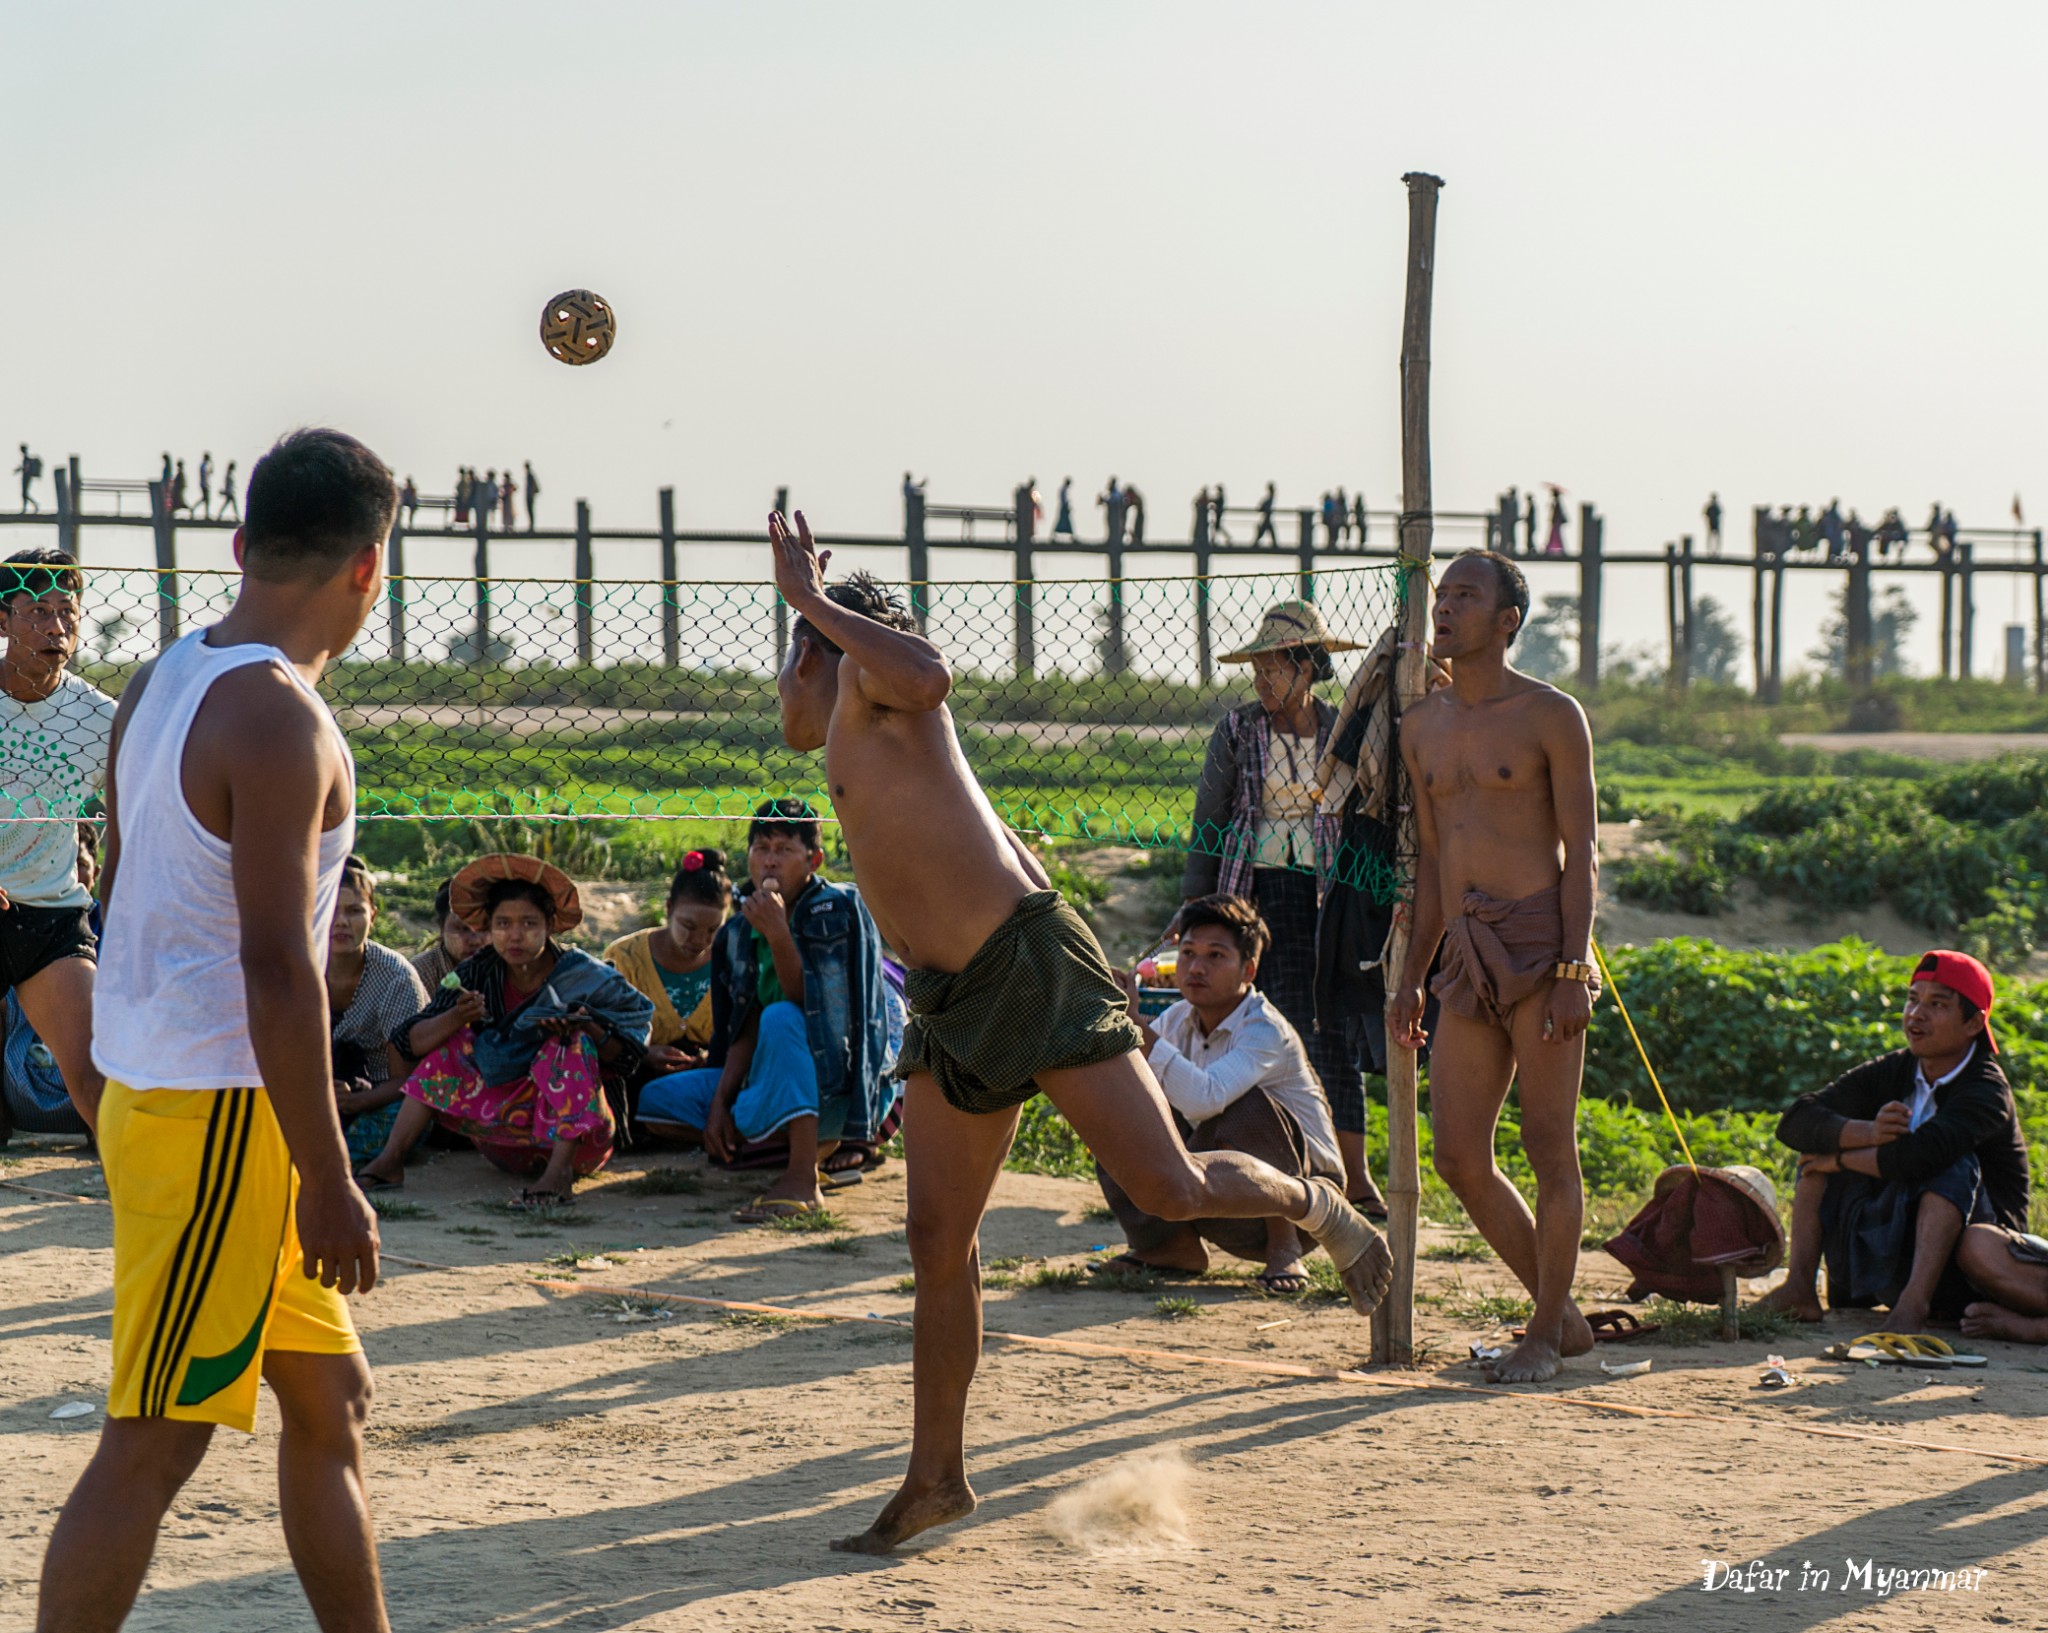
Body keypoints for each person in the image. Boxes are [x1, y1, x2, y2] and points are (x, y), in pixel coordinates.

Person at [765, 510, 1389, 1554]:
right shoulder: (839, 720)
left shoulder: (882, 685)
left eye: (796, 654)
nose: (785, 679)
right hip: (954, 1001)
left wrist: (812, 604)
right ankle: (935, 1479)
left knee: (1169, 1189)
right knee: (936, 1242)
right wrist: (810, 620)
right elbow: (823, 728)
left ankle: (1316, 1202)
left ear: (827, 648)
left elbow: (928, 675)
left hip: (1029, 969)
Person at [41, 427, 396, 1631]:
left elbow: (123, 887)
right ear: (368, 567)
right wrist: (331, 1176)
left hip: (183, 1100)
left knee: (330, 1396)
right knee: (152, 1441)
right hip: (222, 1122)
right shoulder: (279, 723)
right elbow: (278, 969)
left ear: (242, 543)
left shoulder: (167, 674)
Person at [1392, 550, 1599, 1385]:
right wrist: (1412, 972)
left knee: (1551, 1143)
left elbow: (1582, 852)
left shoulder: (1553, 715)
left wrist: (1572, 967)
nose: (1444, 608)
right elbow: (1434, 862)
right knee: (1457, 1156)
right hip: (1464, 950)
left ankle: (1544, 1334)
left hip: (1542, 938)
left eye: (1464, 595)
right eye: (1441, 595)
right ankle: (1567, 1318)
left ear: (1506, 619)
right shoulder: (1421, 726)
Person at [1183, 598, 1387, 1218]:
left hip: (1328, 894)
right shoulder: (1238, 730)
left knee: (1334, 1026)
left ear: (1307, 668)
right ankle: (1273, 1166)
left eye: (1274, 669)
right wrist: (1198, 904)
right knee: (1272, 1024)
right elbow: (1210, 820)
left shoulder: (1339, 728)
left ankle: (1353, 1174)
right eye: (1258, 671)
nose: (1262, 682)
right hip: (1256, 892)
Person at [635, 801, 895, 1218]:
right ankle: (792, 1148)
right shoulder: (738, 930)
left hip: (837, 1087)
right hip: (773, 1074)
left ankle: (802, 1178)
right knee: (657, 1101)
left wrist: (778, 934)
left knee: (783, 1017)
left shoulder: (835, 910)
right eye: (761, 848)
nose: (769, 860)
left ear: (814, 860)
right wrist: (720, 1102)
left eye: (784, 850)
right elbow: (746, 1025)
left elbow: (813, 1010)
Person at [353, 855, 652, 1206]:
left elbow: (631, 1052)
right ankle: (390, 1162)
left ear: (550, 926)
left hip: (582, 1141)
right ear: (489, 928)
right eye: (503, 923)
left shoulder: (585, 975)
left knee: (568, 1043)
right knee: (451, 1045)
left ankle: (558, 1175)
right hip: (500, 1138)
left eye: (528, 923)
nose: (515, 936)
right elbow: (409, 1041)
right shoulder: (477, 972)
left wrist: (588, 1026)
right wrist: (456, 1017)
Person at [1764, 950, 2029, 1334]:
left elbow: (1921, 1157)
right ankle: (1799, 1288)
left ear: (1974, 1023)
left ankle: (1913, 1305)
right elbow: (1796, 1120)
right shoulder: (1896, 1068)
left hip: (1969, 1267)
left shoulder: (1986, 1089)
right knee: (1819, 1146)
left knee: (1954, 1164)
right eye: (1912, 999)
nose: (1916, 1014)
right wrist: (1865, 1132)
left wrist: (1841, 1159)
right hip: (1897, 1245)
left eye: (1937, 1004)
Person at [1095, 894, 1343, 1294]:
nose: (1195, 967)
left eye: (1215, 956)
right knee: (1122, 1110)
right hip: (1221, 1197)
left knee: (1243, 1106)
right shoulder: (1175, 1019)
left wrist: (1139, 1028)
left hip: (1309, 1200)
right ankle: (1169, 1247)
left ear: (1248, 970)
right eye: (1188, 953)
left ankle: (1286, 1247)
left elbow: (1203, 1100)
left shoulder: (1264, 1029)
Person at [0, 548, 116, 1133]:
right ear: (2, 620)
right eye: (36, 611)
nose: (56, 627)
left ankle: (147, 1204)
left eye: (66, 612)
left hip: (50, 914)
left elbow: (132, 814)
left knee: (98, 1077)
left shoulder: (99, 719)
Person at [326, 857, 429, 1170]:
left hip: (383, 1099)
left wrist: (354, 1101)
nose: (341, 921)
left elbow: (406, 1079)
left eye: (354, 910)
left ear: (372, 915)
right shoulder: (296, 968)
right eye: (330, 909)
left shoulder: (395, 977)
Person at [605, 847, 729, 1092]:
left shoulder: (733, 960)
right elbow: (604, 1032)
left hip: (712, 1084)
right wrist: (643, 1053)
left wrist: (711, 1057)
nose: (700, 940)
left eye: (713, 930)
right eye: (689, 926)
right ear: (669, 908)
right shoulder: (625, 957)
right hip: (635, 1079)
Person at [410, 875, 491, 989]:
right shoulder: (417, 975)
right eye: (463, 928)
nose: (475, 941)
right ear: (441, 927)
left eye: (483, 928)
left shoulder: (513, 969)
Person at [14, 445, 40, 513]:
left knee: (24, 493)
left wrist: (19, 469)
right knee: (24, 493)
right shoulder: (26, 458)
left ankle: (32, 506)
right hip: (27, 477)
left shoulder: (26, 458)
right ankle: (27, 507)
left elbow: (26, 467)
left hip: (26, 477)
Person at [1252, 481, 1278, 548]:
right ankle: (1274, 544)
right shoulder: (1270, 497)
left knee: (1266, 530)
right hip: (1267, 517)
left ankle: (1256, 543)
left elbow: (1264, 505)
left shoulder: (1270, 497)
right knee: (1265, 530)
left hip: (1267, 517)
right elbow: (1264, 505)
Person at [1543, 487, 1567, 556]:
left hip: (1556, 521)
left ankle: (1552, 548)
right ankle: (1555, 548)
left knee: (1555, 535)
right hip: (1556, 521)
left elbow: (1557, 512)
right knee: (1555, 535)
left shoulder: (1557, 502)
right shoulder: (1556, 502)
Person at [1052, 477, 1076, 542]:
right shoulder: (1063, 490)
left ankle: (1056, 534)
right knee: (1064, 521)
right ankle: (1070, 535)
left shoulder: (1063, 489)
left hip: (1064, 507)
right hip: (1064, 508)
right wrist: (1067, 507)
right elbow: (1064, 500)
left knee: (1064, 521)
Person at [1124, 482, 1145, 547]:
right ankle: (1136, 540)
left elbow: (1134, 503)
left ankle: (1137, 540)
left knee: (1138, 527)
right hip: (1137, 513)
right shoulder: (1135, 496)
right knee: (1136, 527)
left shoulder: (1136, 497)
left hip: (1139, 514)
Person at [197, 452, 214, 521]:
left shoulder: (205, 465)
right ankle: (206, 515)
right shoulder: (203, 466)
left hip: (205, 484)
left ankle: (206, 514)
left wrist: (212, 465)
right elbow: (205, 476)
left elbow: (210, 473)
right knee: (206, 499)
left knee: (205, 499)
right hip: (204, 484)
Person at [523, 461, 539, 531]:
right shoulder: (529, 474)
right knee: (530, 510)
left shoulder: (530, 475)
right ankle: (531, 524)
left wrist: (531, 494)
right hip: (530, 495)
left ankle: (531, 525)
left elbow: (532, 485)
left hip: (530, 495)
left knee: (530, 510)